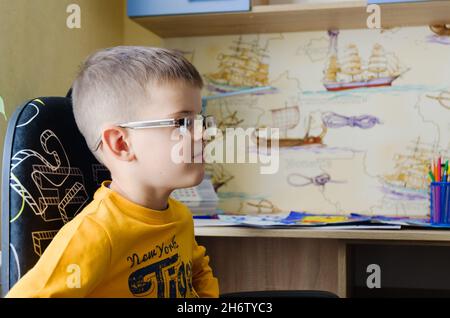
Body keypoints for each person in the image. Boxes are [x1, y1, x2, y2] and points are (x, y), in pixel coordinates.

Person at [7, 46, 219, 298]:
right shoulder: (95, 235)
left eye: (200, 121)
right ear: (121, 144)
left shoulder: (180, 217)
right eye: (183, 122)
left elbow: (198, 271)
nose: (204, 134)